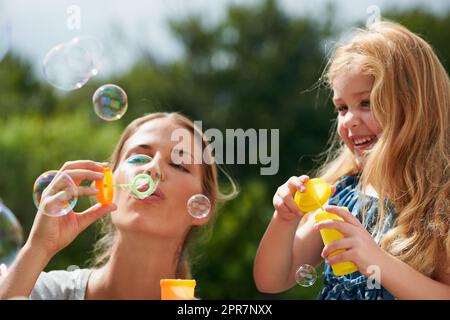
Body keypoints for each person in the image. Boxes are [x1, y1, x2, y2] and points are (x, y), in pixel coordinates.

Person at [253, 21, 450, 299]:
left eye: (366, 103)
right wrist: (283, 220)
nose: (349, 121)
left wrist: (377, 262)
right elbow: (272, 280)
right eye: (342, 108)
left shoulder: (438, 204)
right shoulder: (341, 195)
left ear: (414, 107)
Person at [0, 112, 237, 300]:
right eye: (138, 158)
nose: (152, 169)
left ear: (202, 206)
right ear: (108, 184)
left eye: (179, 164)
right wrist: (40, 246)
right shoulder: (41, 292)